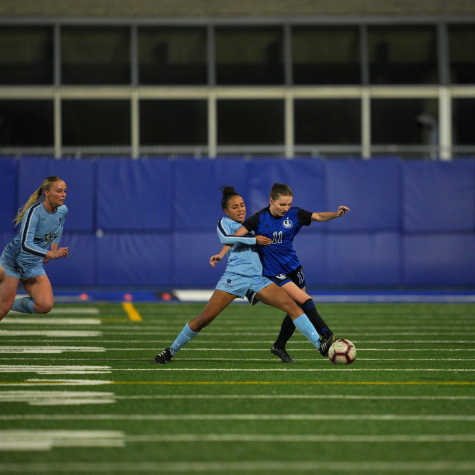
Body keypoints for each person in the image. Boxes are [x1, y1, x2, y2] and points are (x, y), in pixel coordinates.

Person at [154, 186, 328, 364]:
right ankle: (171, 350)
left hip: (258, 279)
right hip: (234, 278)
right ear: (226, 211)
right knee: (204, 318)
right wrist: (227, 252)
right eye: (235, 207)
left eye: (242, 205)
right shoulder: (225, 223)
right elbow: (227, 239)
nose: (240, 209)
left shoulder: (256, 222)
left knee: (292, 305)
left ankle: (320, 345)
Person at [211, 183, 349, 363]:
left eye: (288, 204)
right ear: (271, 201)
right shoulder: (258, 219)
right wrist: (221, 255)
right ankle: (328, 337)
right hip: (275, 271)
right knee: (305, 301)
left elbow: (318, 216)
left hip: (294, 267)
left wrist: (336, 214)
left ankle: (279, 345)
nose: (286, 208)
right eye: (282, 204)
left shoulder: (295, 214)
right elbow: (235, 237)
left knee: (297, 308)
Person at [0, 176, 69, 322]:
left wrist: (53, 250)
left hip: (33, 264)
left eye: (65, 191)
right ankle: (6, 302)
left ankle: (8, 301)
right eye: (59, 191)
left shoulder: (63, 210)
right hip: (14, 260)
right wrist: (50, 253)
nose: (63, 194)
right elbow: (26, 244)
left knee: (45, 305)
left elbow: (58, 228)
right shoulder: (34, 212)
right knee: (2, 308)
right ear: (47, 193)